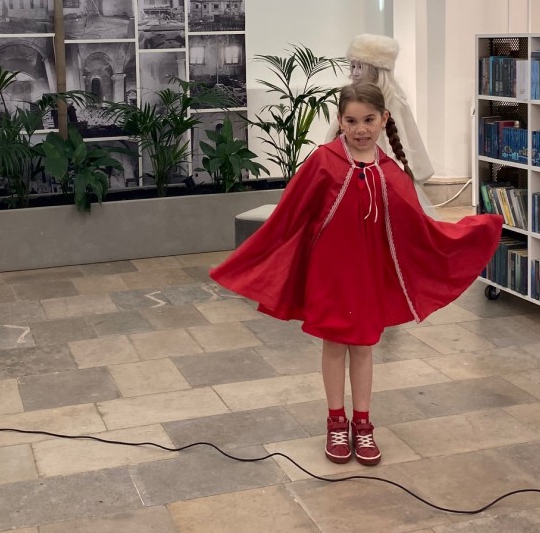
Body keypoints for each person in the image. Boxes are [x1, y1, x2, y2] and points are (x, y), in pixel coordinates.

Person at [211, 82, 501, 466]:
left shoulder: (391, 172)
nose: (360, 128)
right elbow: (288, 217)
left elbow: (419, 229)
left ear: (384, 119)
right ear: (340, 121)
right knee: (334, 343)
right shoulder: (323, 161)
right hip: (330, 274)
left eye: (368, 120)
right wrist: (251, 261)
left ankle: (362, 424)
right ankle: (336, 421)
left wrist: (469, 232)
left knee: (363, 346)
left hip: (367, 276)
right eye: (351, 121)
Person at [327, 34, 435, 209]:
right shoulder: (351, 98)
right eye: (353, 66)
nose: (355, 72)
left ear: (377, 70)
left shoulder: (394, 101)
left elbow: (401, 139)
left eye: (361, 67)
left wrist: (395, 174)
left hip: (383, 174)